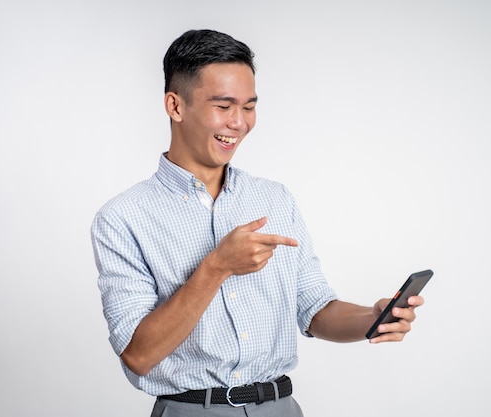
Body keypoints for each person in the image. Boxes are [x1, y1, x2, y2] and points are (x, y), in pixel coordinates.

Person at [91, 29, 425, 417]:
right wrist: (217, 266)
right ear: (175, 105)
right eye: (224, 105)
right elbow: (139, 354)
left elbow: (314, 309)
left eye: (249, 106)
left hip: (282, 408)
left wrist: (372, 318)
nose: (239, 123)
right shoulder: (122, 218)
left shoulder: (275, 199)